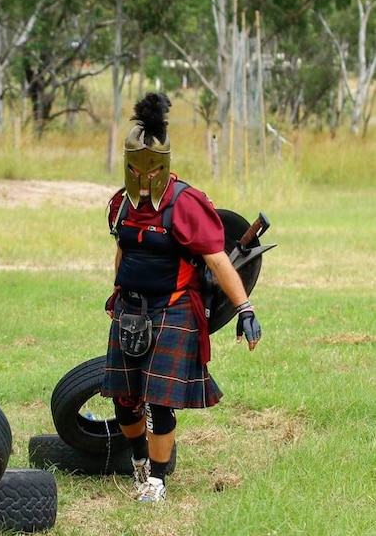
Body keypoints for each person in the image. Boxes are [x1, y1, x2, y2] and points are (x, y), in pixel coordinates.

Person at [101, 92, 262, 503]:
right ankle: (138, 462)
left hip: (173, 308)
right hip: (130, 308)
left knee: (158, 400)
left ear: (164, 164)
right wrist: (117, 293)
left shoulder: (185, 203)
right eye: (134, 166)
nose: (143, 175)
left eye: (149, 167)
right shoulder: (121, 204)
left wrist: (245, 309)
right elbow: (122, 249)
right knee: (125, 401)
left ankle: (157, 481)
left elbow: (219, 260)